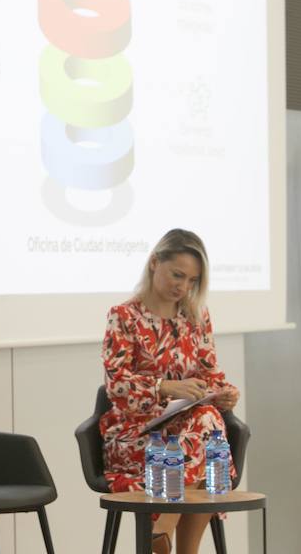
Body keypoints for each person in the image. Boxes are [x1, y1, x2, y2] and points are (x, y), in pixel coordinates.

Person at [98, 228, 240, 554]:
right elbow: (117, 386)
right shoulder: (124, 317)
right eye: (177, 274)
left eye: (192, 280)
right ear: (153, 263)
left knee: (206, 418)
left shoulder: (196, 316)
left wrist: (224, 393)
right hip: (137, 434)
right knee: (207, 438)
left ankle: (164, 529)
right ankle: (179, 543)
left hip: (187, 427)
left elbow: (208, 374)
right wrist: (164, 387)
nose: (183, 286)